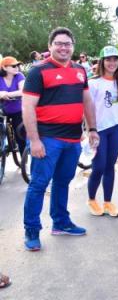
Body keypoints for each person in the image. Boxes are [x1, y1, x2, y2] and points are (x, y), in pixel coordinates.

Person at [22, 27, 100, 251]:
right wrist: (34, 141)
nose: (63, 47)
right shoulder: (38, 72)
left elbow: (87, 102)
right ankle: (32, 230)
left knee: (62, 182)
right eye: (59, 43)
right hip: (47, 139)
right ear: (50, 46)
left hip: (73, 139)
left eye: (67, 44)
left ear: (73, 47)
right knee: (38, 184)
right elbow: (27, 107)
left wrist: (92, 128)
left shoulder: (79, 71)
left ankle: (60, 222)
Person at [86, 46, 118, 218]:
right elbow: (86, 109)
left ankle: (108, 202)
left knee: (110, 166)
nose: (112, 63)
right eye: (108, 59)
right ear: (102, 62)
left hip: (117, 129)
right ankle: (92, 199)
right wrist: (90, 130)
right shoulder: (93, 83)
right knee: (99, 166)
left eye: (115, 60)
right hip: (99, 130)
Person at [0, 56, 26, 155]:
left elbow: (23, 91)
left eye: (18, 65)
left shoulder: (19, 76)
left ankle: (24, 157)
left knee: (20, 135)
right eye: (13, 66)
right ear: (4, 67)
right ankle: (3, 145)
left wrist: (6, 94)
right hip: (3, 110)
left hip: (18, 110)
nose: (17, 67)